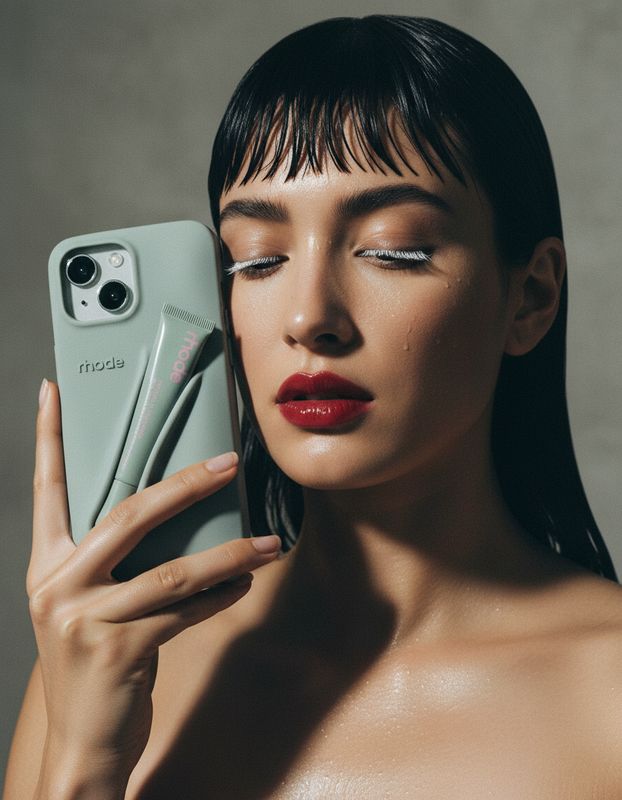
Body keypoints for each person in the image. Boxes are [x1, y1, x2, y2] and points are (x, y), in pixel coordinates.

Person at [4, 14, 622, 799]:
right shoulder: (116, 657)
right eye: (256, 260)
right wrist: (84, 764)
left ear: (529, 297)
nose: (307, 316)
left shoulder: (611, 693)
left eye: (393, 248)